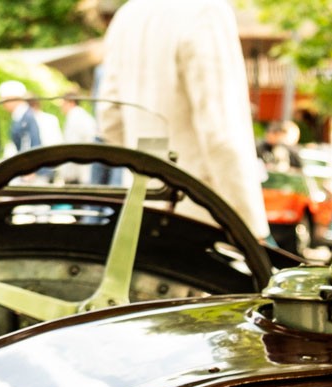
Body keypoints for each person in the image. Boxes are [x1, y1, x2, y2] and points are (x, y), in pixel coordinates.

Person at [97, 0, 269, 240]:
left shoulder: (127, 15)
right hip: (199, 213)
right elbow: (221, 131)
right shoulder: (205, 11)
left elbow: (109, 119)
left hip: (141, 208)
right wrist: (250, 227)